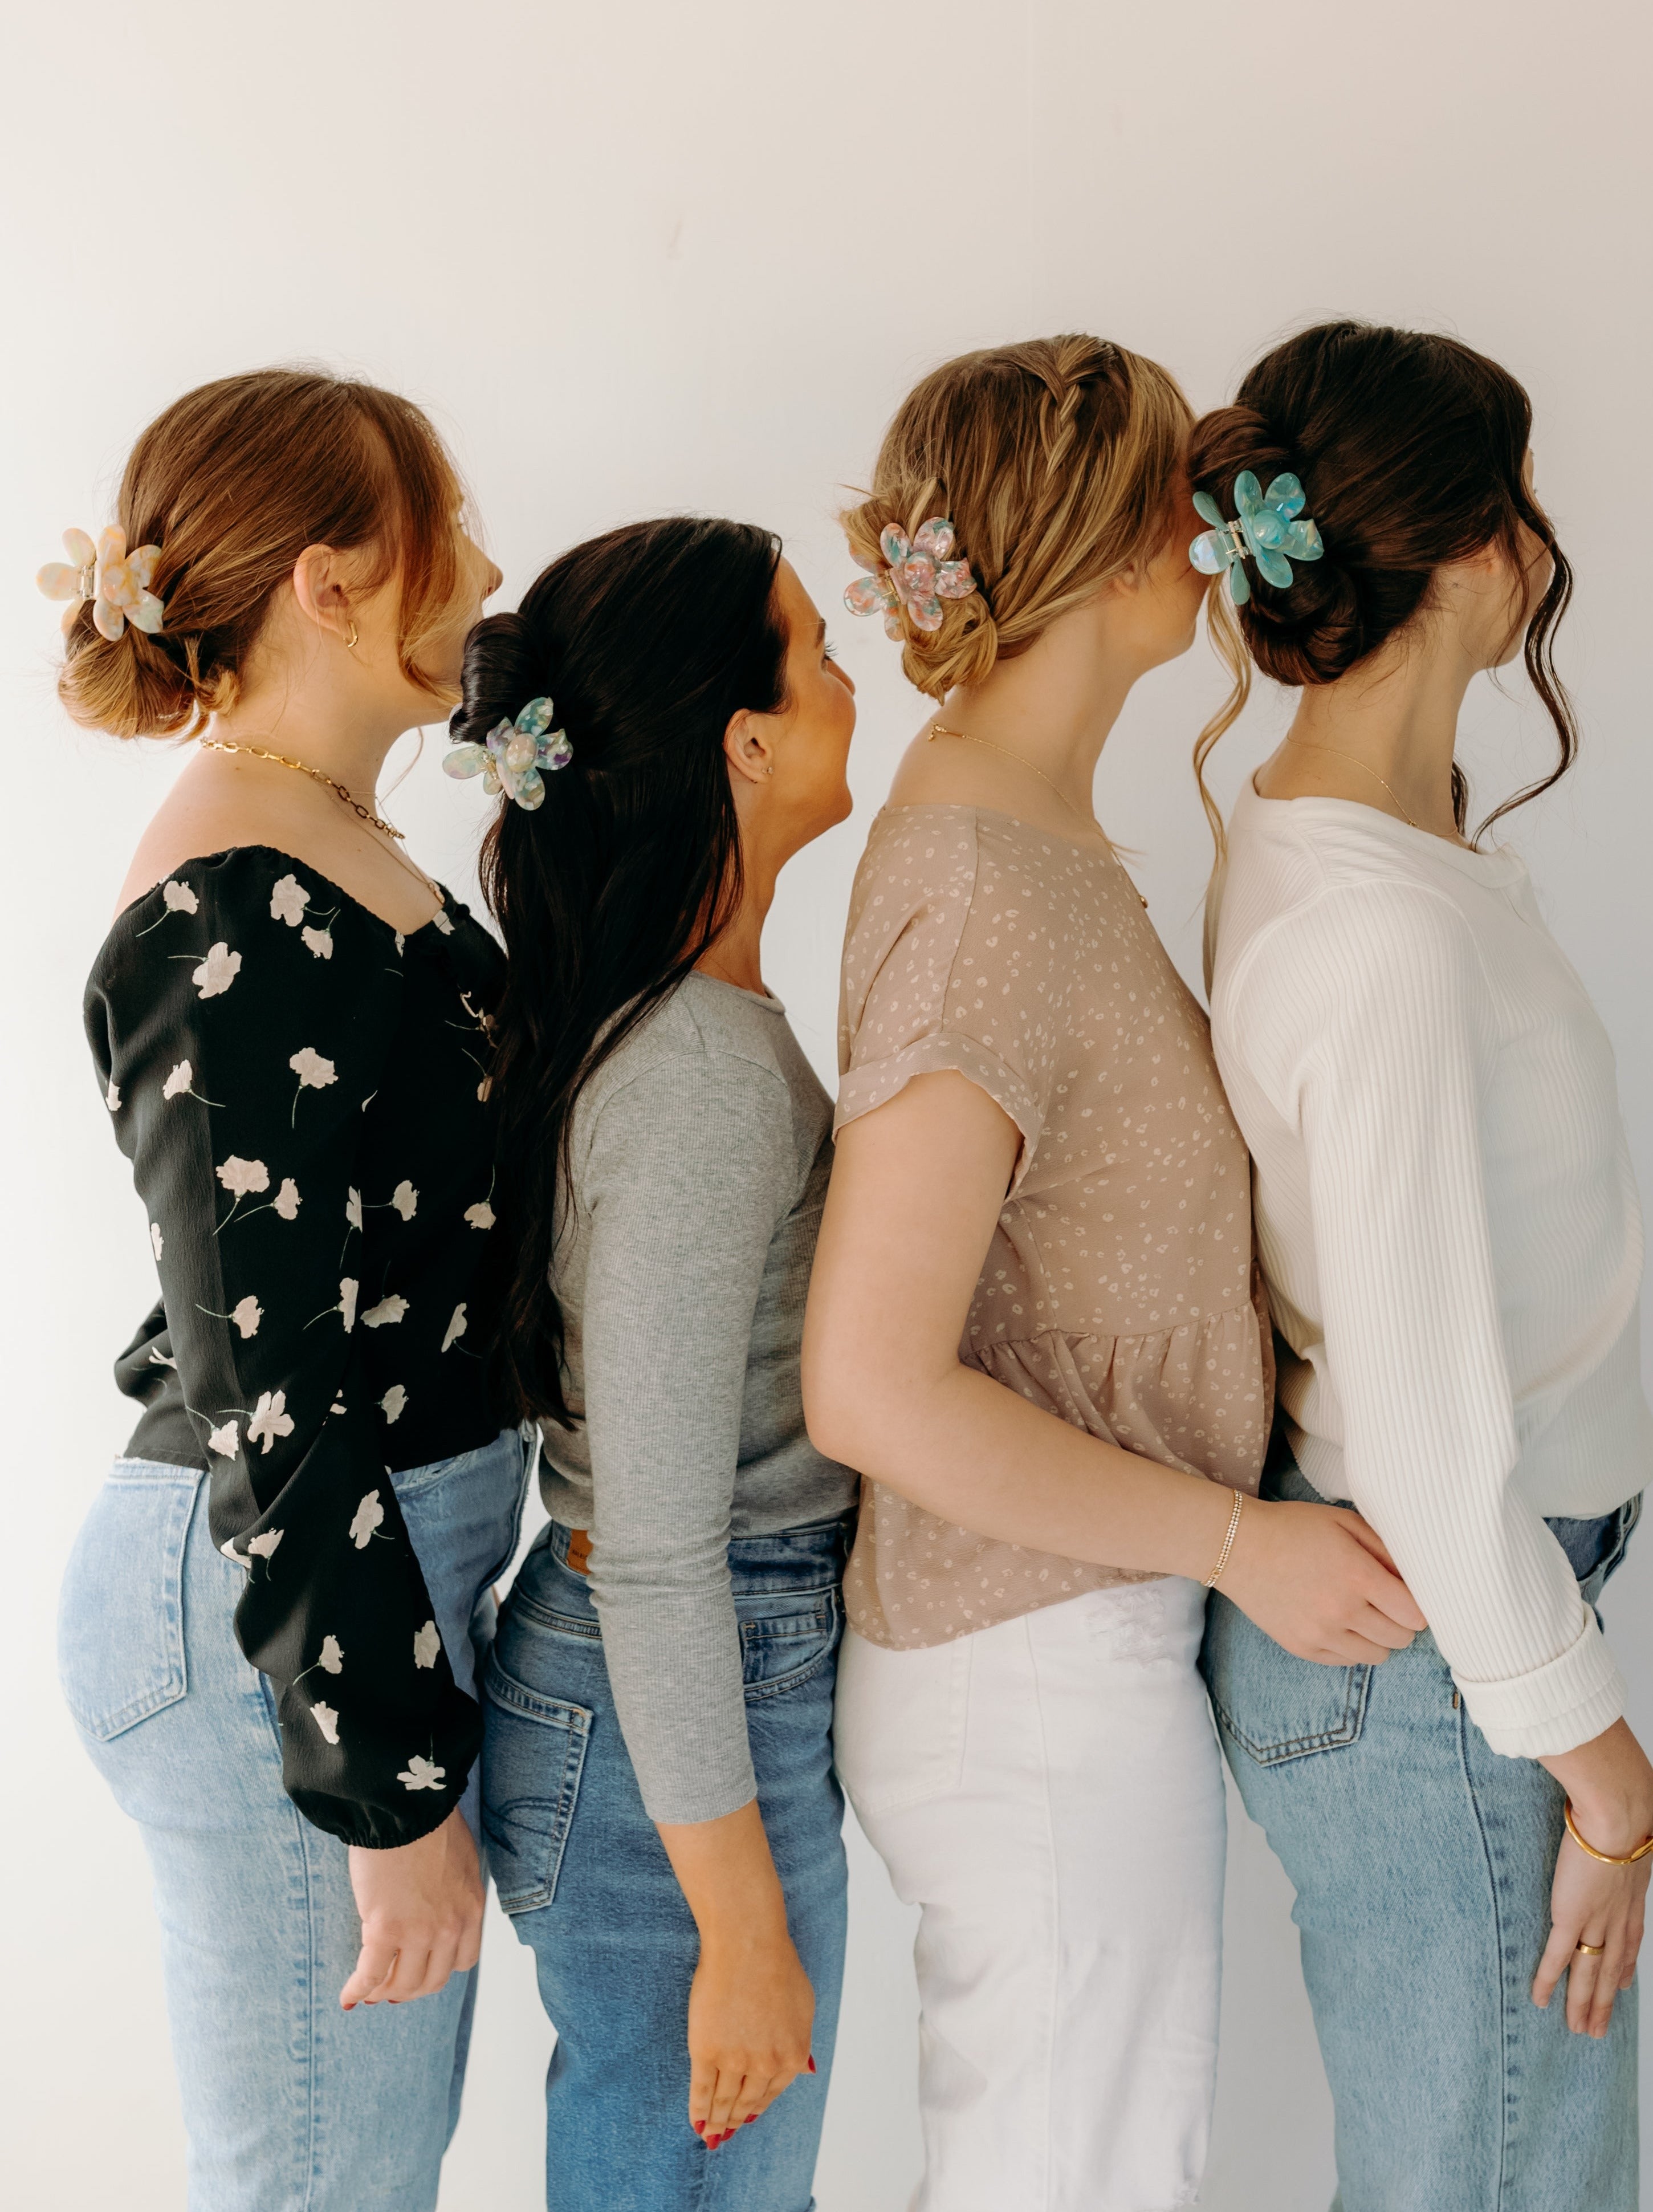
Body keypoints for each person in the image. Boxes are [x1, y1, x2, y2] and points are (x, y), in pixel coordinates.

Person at [800, 334, 1426, 2212]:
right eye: (1173, 489)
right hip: (1031, 1672)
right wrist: (1244, 1544)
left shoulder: (1040, 834)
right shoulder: (984, 882)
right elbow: (871, 1386)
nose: (1210, 524)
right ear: (1087, 544)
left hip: (1066, 1646)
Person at [54, 368, 526, 2212]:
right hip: (285, 1606)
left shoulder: (327, 835)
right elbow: (268, 1377)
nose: (483, 570)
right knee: (325, 2180)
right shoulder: (235, 898)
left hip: (346, 1576)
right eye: (449, 526)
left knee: (355, 2166)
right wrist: (382, 1783)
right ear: (329, 584)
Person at [1194, 320, 1652, 2212]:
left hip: (1451, 1651)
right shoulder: (1375, 933)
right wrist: (1610, 1784)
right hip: (1448, 1664)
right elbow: (1425, 1427)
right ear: (1477, 550)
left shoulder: (1362, 849)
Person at [465, 517, 860, 2209]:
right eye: (819, 648)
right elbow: (659, 1541)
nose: (855, 677)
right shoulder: (695, 1070)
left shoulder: (685, 1025)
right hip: (676, 1712)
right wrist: (743, 1927)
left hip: (677, 1701)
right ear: (746, 741)